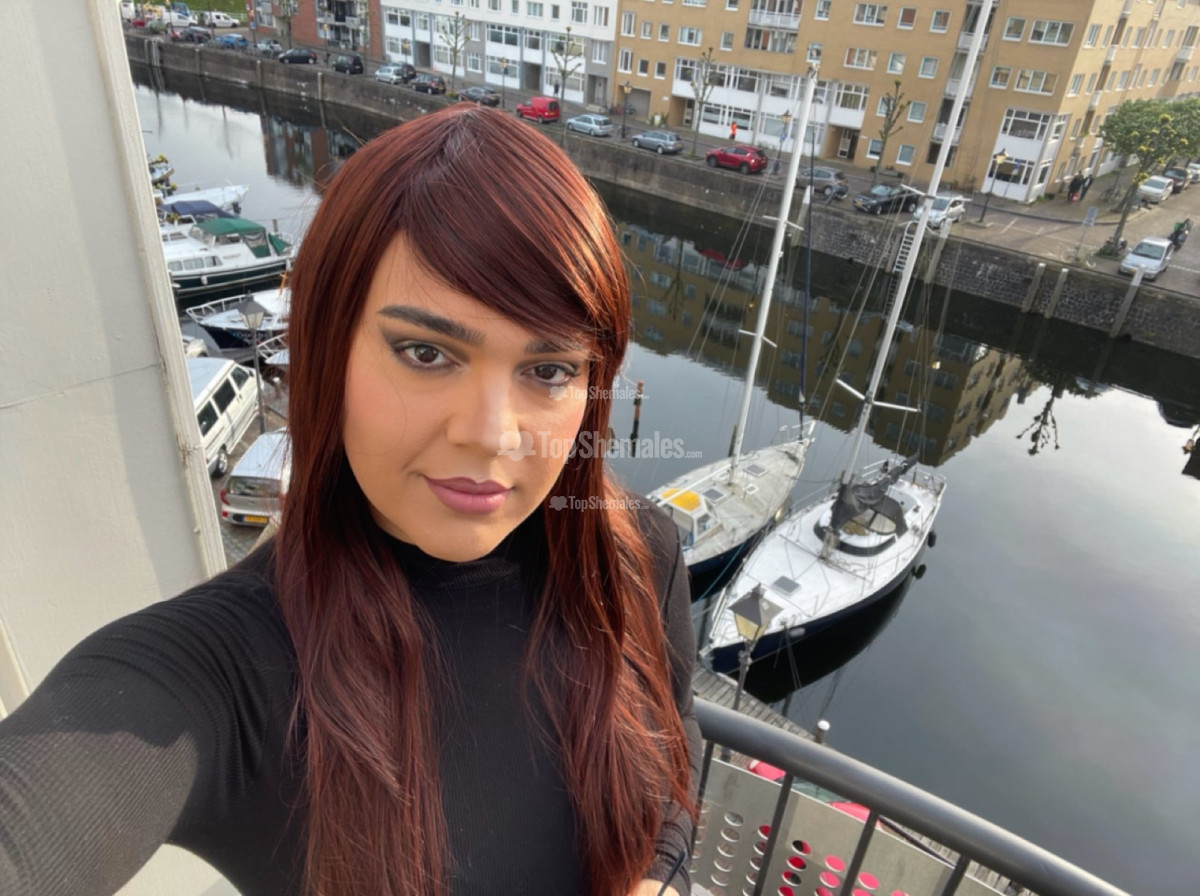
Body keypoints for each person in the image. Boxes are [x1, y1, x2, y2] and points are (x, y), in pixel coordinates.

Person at [0, 105, 698, 896]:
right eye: (426, 352)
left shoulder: (635, 558)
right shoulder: (230, 669)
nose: (490, 435)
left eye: (548, 370)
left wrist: (659, 881)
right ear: (328, 350)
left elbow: (674, 756)